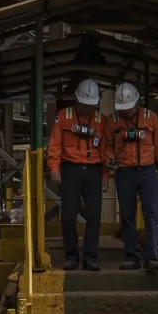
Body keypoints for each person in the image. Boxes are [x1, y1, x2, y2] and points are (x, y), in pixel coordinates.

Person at [109, 81, 158, 273]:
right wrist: (109, 158)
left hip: (147, 171)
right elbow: (107, 146)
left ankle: (151, 257)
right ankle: (132, 257)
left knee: (151, 213)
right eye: (123, 108)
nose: (126, 111)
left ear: (136, 103)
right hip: (124, 172)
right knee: (127, 215)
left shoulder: (150, 118)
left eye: (128, 108)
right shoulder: (113, 120)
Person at [46, 79, 106, 272]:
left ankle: (90, 258)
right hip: (70, 169)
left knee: (94, 216)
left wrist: (105, 174)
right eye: (85, 104)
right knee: (68, 216)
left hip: (93, 171)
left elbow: (105, 148)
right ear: (77, 99)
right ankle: (71, 257)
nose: (88, 108)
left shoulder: (101, 120)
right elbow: (55, 144)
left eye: (91, 104)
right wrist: (54, 167)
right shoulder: (64, 117)